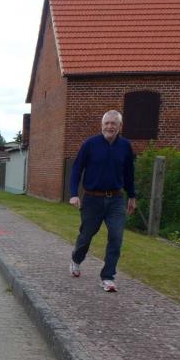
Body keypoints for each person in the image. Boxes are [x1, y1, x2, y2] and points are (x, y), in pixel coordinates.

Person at [68, 110, 136, 292]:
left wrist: (132, 195)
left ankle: (107, 277)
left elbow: (129, 173)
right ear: (101, 125)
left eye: (114, 123)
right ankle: (76, 259)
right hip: (92, 199)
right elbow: (76, 169)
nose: (110, 126)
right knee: (86, 235)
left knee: (116, 237)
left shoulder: (125, 146)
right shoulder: (90, 144)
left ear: (120, 126)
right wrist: (74, 193)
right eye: (107, 123)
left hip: (116, 199)